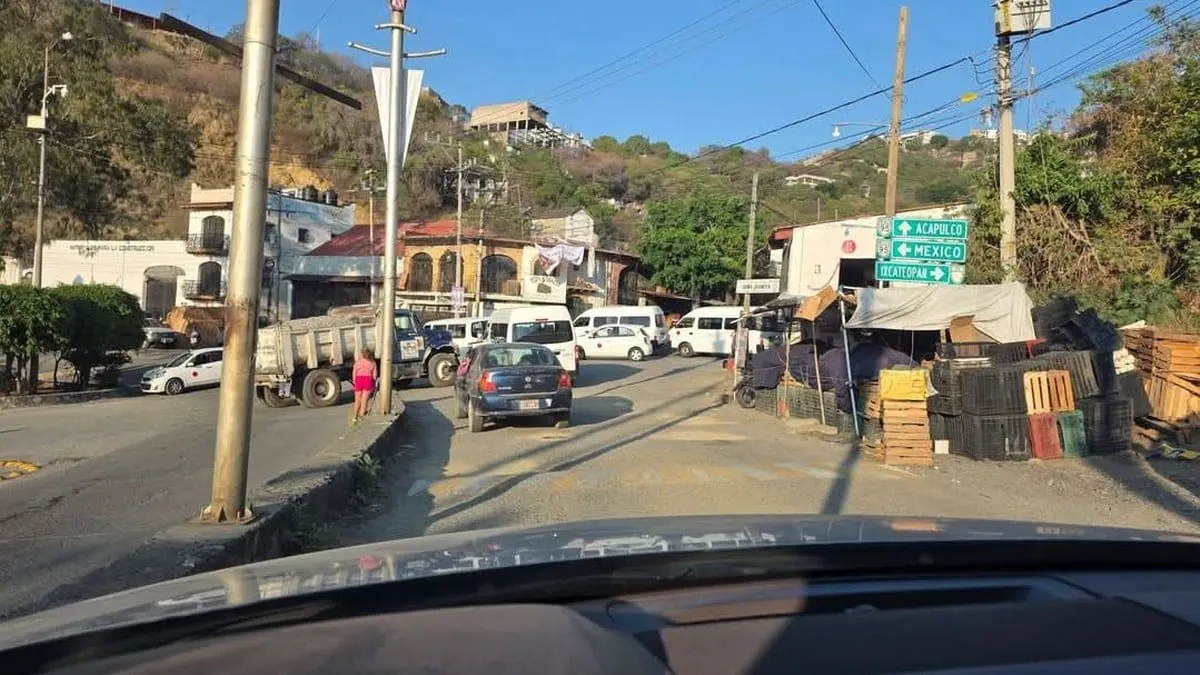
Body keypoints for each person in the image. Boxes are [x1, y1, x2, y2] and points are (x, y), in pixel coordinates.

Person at [352, 348, 377, 422]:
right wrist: (374, 384)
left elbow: (354, 373)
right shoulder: (373, 363)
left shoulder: (357, 362)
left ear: (362, 354)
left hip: (359, 380)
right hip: (368, 380)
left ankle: (354, 417)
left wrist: (354, 381)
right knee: (364, 400)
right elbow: (374, 376)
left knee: (357, 400)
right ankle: (361, 417)